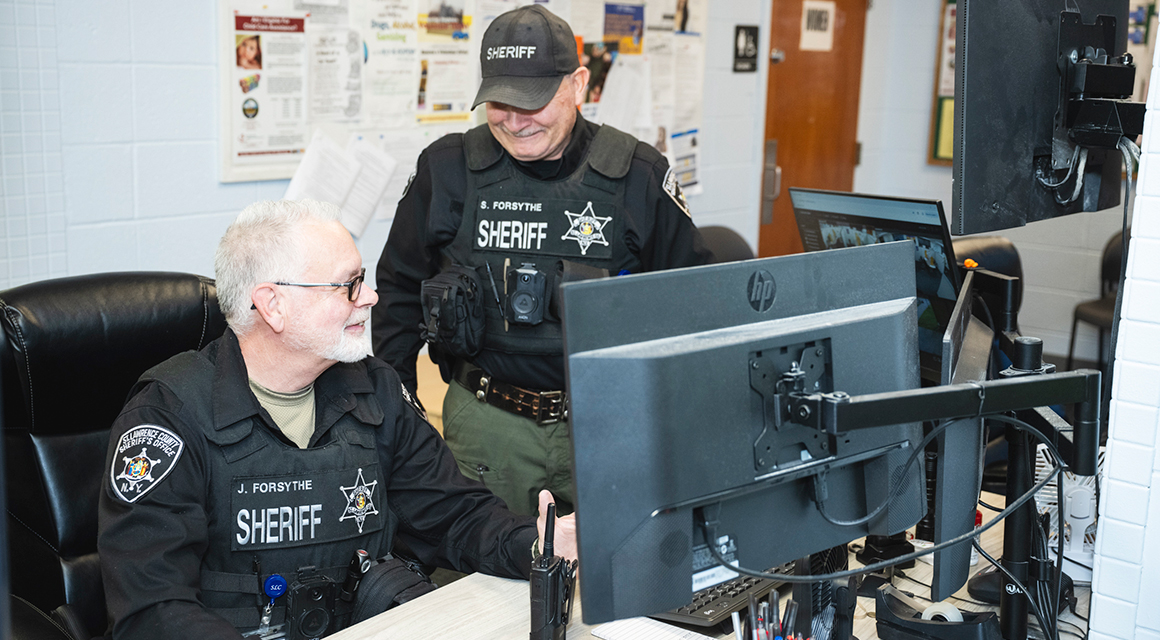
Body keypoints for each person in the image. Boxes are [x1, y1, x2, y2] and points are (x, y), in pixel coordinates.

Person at [98, 200, 576, 639]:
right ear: (273, 305)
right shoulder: (167, 417)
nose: (368, 297)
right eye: (348, 285)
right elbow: (153, 611)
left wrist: (537, 544)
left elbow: (453, 516)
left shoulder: (375, 389)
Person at [373, 5, 713, 518]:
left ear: (578, 85)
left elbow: (693, 304)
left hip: (608, 419)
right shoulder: (446, 170)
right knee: (473, 586)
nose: (514, 121)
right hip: (488, 424)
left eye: (531, 103)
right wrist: (401, 410)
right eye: (499, 102)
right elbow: (395, 294)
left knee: (615, 582)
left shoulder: (639, 176)